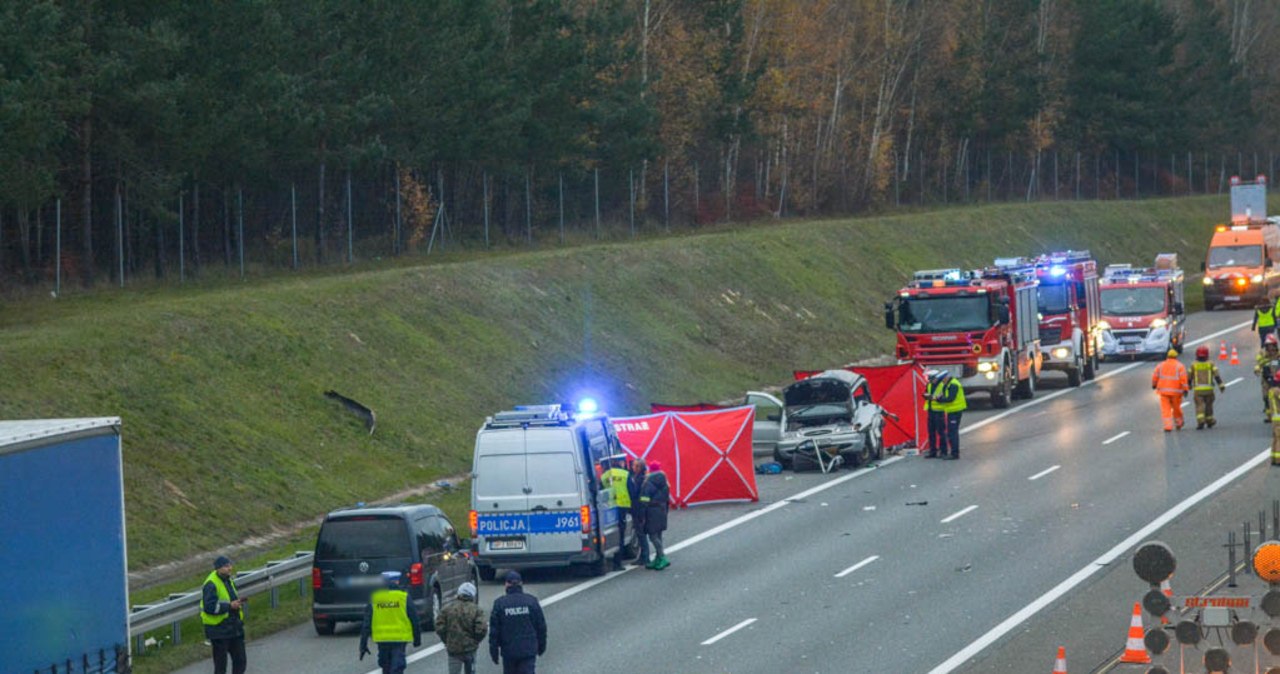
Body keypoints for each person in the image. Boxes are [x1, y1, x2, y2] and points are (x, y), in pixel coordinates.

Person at [359, 571, 422, 674]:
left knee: (386, 667)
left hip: (382, 640)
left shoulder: (375, 598)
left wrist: (363, 644)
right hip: (400, 639)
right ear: (397, 582)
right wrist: (417, 639)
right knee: (397, 667)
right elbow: (414, 619)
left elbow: (366, 623)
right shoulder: (404, 597)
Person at [489, 571, 546, 674]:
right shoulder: (531, 601)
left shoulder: (500, 604)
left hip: (508, 652)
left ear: (506, 584)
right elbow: (541, 627)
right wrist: (541, 646)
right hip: (528, 650)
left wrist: (494, 652)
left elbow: (494, 632)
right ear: (521, 583)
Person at [201, 556, 247, 674]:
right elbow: (209, 607)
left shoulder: (228, 580)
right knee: (221, 666)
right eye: (226, 566)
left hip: (234, 627)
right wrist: (229, 606)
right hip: (219, 630)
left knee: (240, 661)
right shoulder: (211, 583)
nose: (230, 568)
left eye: (230, 565)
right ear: (218, 568)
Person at [436, 581, 487, 674]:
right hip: (470, 650)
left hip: (453, 650)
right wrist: (475, 641)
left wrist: (447, 640)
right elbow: (482, 629)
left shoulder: (447, 609)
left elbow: (439, 627)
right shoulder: (476, 610)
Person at [599, 454, 631, 569]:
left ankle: (611, 559)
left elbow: (601, 492)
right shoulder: (625, 474)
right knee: (621, 535)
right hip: (623, 507)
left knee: (611, 532)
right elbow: (632, 490)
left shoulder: (604, 476)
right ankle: (618, 562)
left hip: (609, 508)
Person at [640, 460, 670, 570]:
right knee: (659, 535)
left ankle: (662, 557)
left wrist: (642, 514)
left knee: (652, 536)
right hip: (661, 510)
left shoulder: (648, 482)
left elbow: (644, 499)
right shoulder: (665, 482)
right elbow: (667, 499)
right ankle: (658, 558)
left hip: (651, 511)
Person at [1151, 349, 1189, 432]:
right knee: (1176, 408)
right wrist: (1185, 389)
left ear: (1167, 356)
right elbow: (1184, 379)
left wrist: (1154, 385)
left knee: (1165, 409)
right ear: (1176, 357)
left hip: (1164, 392)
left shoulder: (1160, 365)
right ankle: (1179, 423)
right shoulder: (1180, 366)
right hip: (1176, 392)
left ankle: (1168, 426)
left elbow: (1155, 376)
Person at [1191, 345, 1226, 429]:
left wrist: (1187, 387)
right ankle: (1209, 421)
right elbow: (1216, 375)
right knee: (1209, 406)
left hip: (1198, 390)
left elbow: (1189, 376)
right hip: (1209, 390)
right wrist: (1221, 385)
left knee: (1200, 405)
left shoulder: (1194, 365)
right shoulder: (1211, 364)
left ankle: (1201, 421)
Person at [933, 372, 967, 459]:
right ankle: (953, 452)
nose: (942, 382)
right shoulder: (949, 384)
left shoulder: (953, 385)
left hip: (955, 411)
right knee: (951, 432)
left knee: (953, 433)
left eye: (942, 380)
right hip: (951, 410)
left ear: (946, 378)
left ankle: (954, 453)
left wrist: (940, 400)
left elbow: (950, 398)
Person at [922, 369, 948, 458]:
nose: (930, 380)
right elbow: (925, 394)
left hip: (939, 411)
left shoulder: (942, 386)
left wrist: (934, 398)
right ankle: (933, 451)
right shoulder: (929, 385)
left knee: (941, 432)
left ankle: (943, 451)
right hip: (931, 411)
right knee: (931, 432)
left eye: (931, 379)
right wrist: (927, 396)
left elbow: (942, 397)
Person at [627, 459, 648, 566]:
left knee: (641, 533)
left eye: (635, 466)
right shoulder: (638, 478)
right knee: (640, 533)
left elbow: (636, 494)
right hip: (638, 508)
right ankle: (643, 556)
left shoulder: (640, 480)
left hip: (639, 509)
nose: (632, 467)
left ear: (639, 468)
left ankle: (645, 556)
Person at [1256, 334, 1280, 421]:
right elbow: (1258, 364)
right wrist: (1258, 369)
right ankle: (1269, 416)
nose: (1270, 347)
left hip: (1277, 378)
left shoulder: (1278, 354)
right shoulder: (1263, 354)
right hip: (1266, 379)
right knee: (1266, 397)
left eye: (1272, 345)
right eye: (1268, 345)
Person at [1271, 372, 1280, 466]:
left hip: (1275, 418)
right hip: (1279, 418)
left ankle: (1274, 457)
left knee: (1275, 438)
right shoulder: (1277, 391)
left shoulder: (1271, 390)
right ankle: (1278, 459)